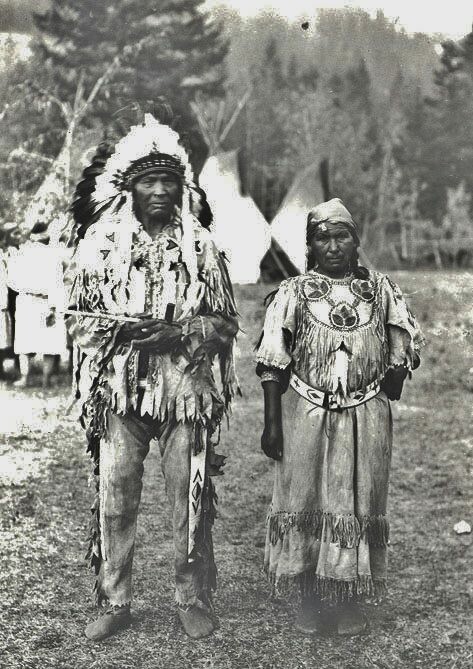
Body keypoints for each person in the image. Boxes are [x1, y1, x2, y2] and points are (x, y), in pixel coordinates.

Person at [67, 114, 239, 641]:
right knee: (115, 493)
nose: (160, 190)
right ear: (130, 186)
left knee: (188, 493)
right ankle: (115, 598)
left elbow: (226, 322)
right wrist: (124, 331)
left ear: (181, 185)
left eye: (168, 180)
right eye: (149, 180)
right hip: (120, 392)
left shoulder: (200, 245)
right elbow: (78, 320)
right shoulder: (99, 244)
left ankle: (191, 595)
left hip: (185, 392)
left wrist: (182, 333)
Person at [255, 198, 423, 636]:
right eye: (322, 238)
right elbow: (273, 361)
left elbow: (402, 342)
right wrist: (272, 423)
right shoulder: (292, 292)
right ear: (310, 245)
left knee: (358, 500)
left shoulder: (381, 290)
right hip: (305, 417)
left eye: (342, 236)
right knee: (306, 502)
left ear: (357, 241)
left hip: (365, 416)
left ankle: (347, 596)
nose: (333, 246)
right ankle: (308, 595)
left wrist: (394, 373)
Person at [7, 219, 69, 388]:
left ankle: (26, 378)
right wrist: (56, 305)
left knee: (25, 341)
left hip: (27, 300)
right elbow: (58, 283)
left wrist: (24, 288)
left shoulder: (22, 254)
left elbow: (11, 281)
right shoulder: (53, 256)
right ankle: (45, 379)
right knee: (49, 342)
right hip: (45, 301)